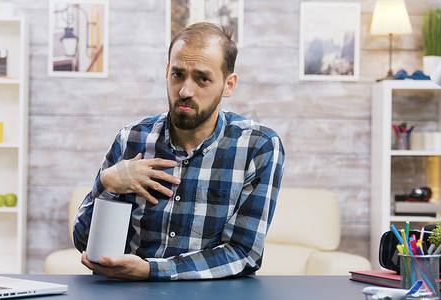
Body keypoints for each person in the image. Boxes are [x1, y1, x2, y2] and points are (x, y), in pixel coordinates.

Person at [73, 22, 285, 281]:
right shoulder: (131, 139)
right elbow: (83, 242)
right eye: (178, 75)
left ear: (228, 85)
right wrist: (106, 183)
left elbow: (243, 253)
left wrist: (151, 271)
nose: (185, 91)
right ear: (166, 72)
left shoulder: (258, 146)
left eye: (202, 79)